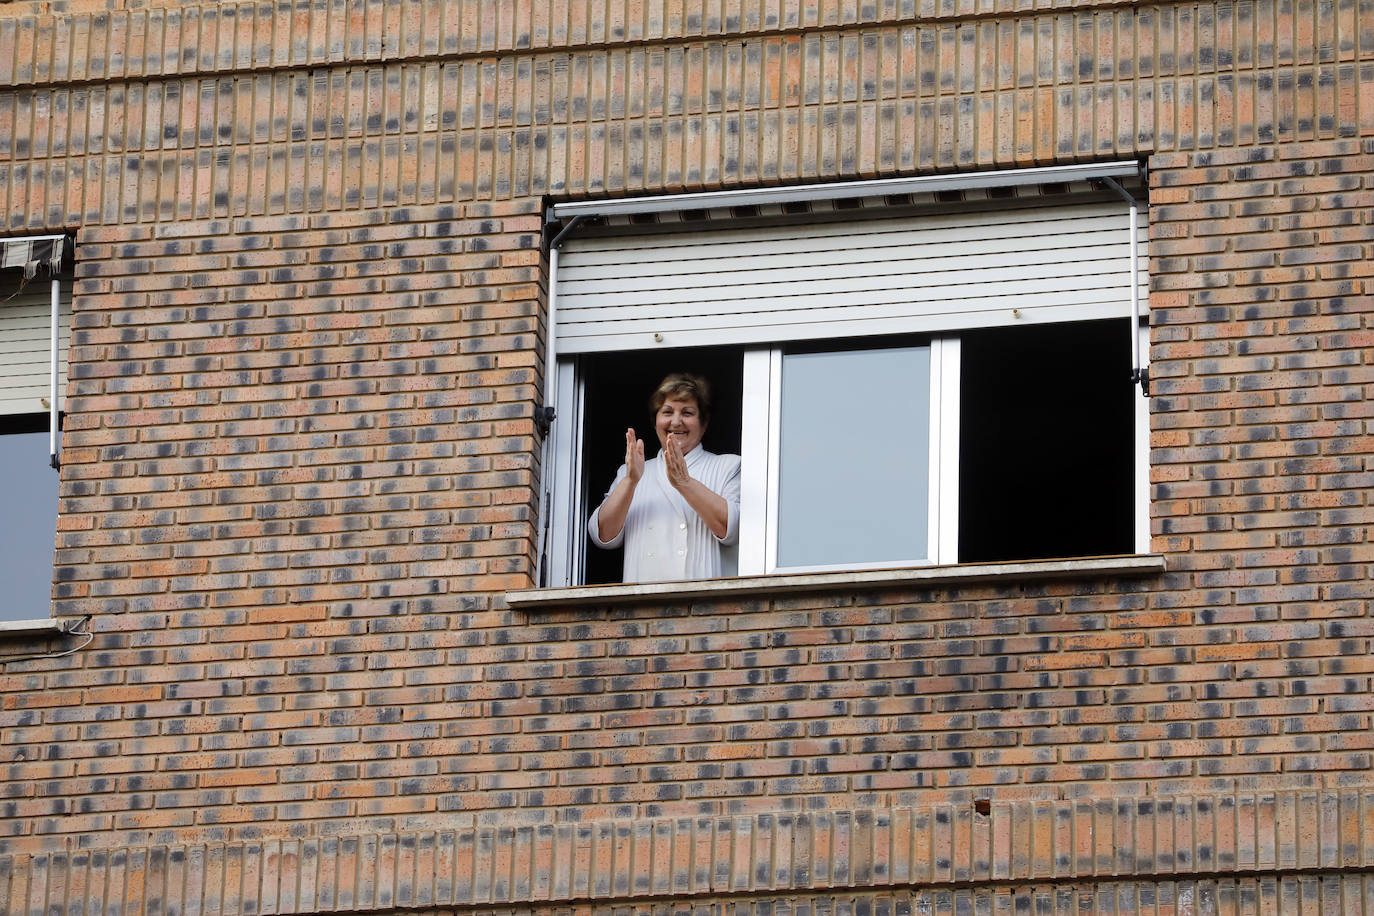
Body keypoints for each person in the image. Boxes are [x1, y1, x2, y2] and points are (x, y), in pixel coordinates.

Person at [588, 373, 741, 583]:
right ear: (655, 421)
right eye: (667, 412)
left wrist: (685, 484)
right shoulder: (630, 472)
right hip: (642, 606)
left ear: (704, 423)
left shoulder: (728, 466)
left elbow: (733, 528)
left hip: (703, 607)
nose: (676, 422)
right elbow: (603, 536)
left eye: (687, 413)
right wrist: (630, 482)